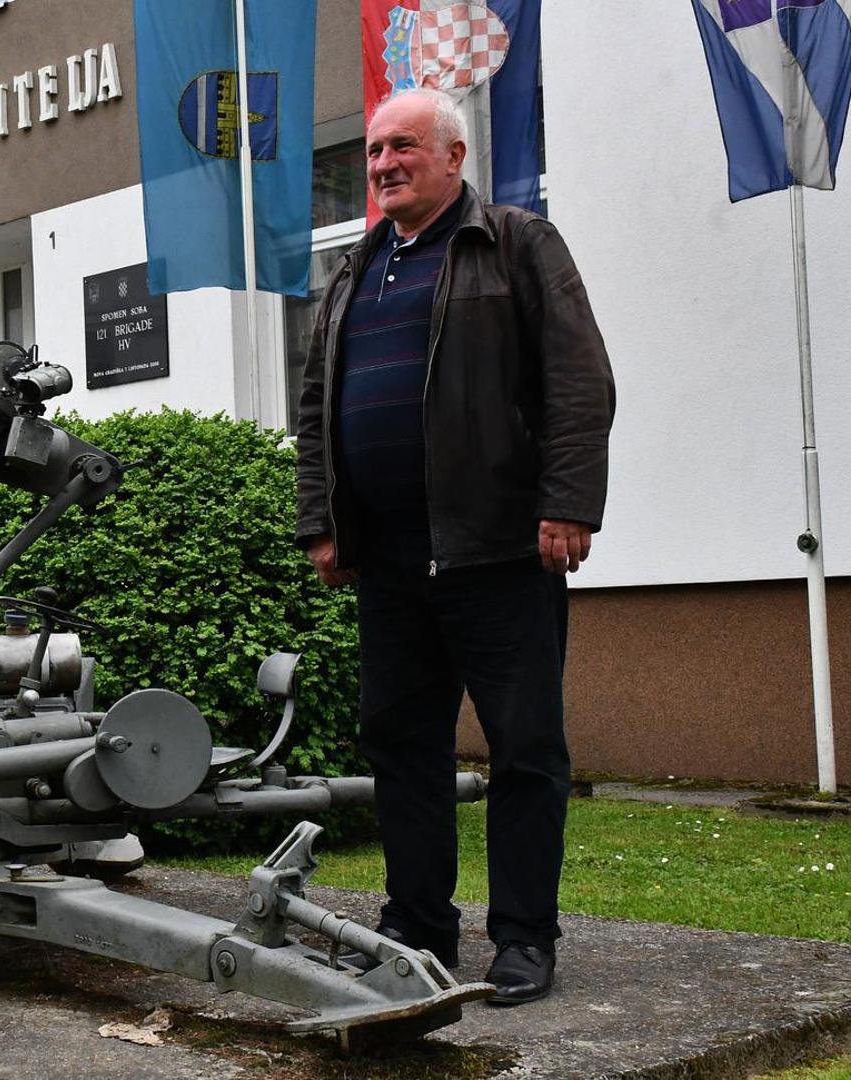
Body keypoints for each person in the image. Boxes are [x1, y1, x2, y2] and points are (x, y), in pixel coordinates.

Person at [293, 87, 615, 1006]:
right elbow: (317, 408)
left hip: (501, 553)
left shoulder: (515, 245)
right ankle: (419, 928)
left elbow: (578, 382)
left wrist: (567, 503)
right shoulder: (355, 270)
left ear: (454, 158)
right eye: (373, 152)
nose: (383, 164)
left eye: (402, 148)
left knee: (524, 751)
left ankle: (522, 939)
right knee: (403, 748)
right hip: (389, 565)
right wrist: (322, 522)